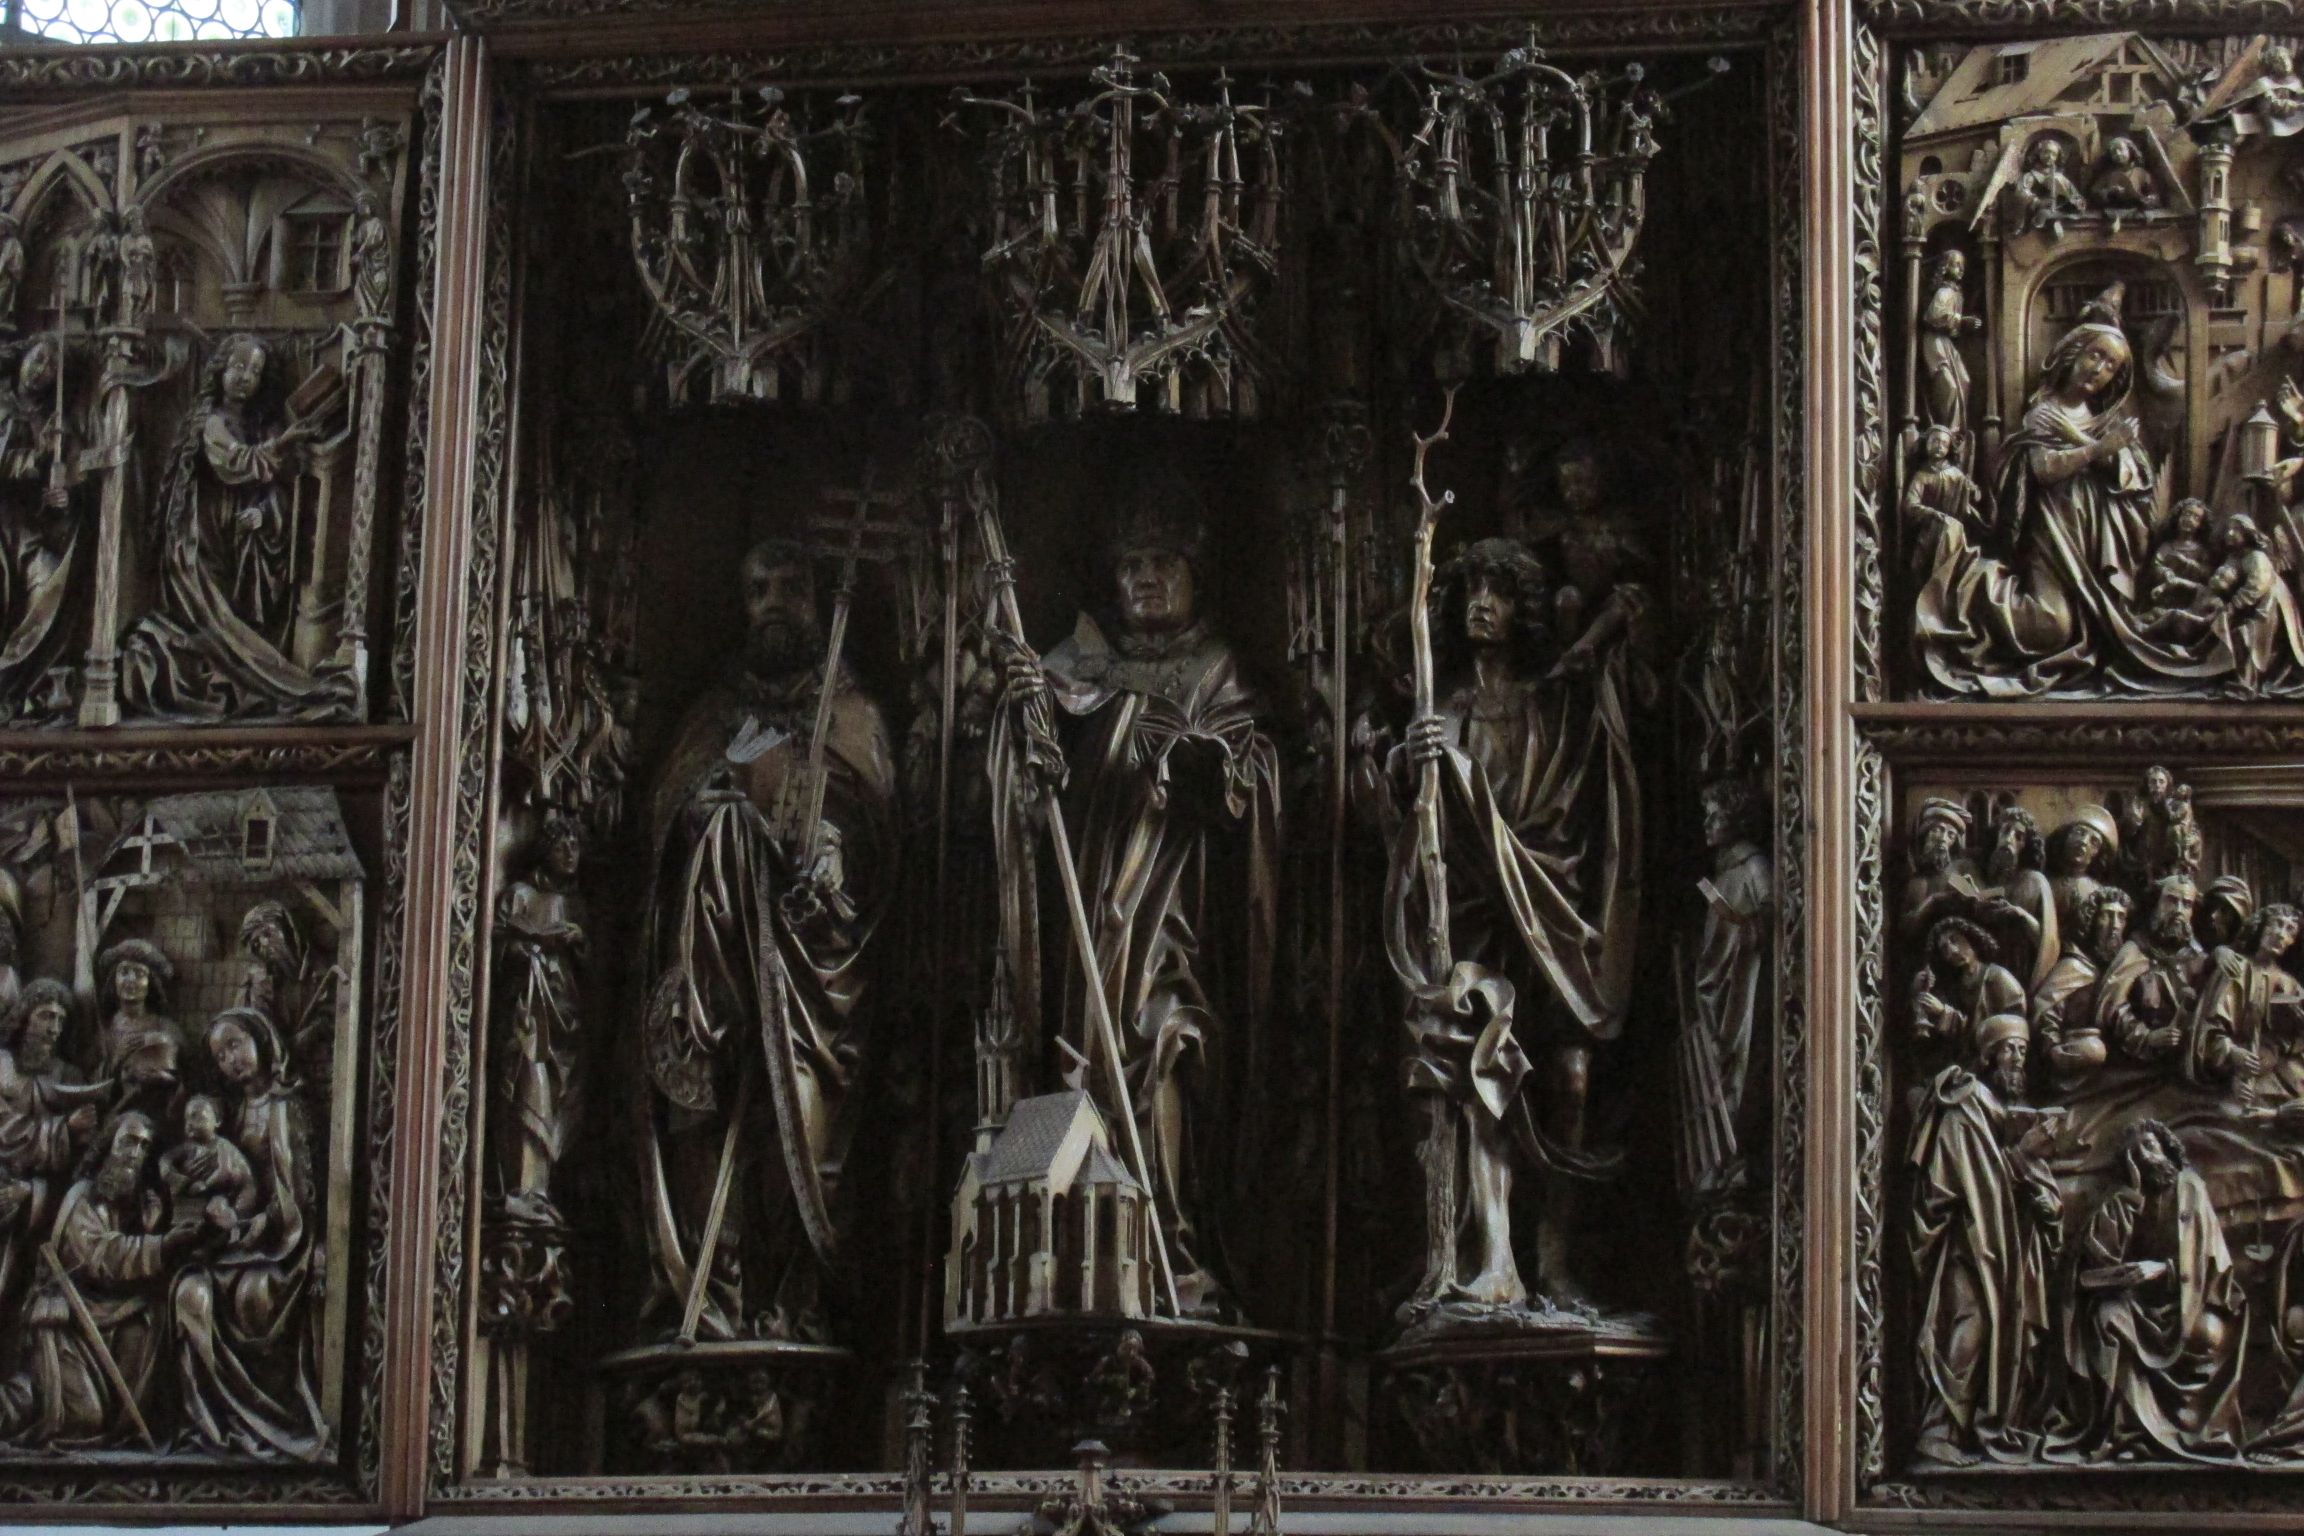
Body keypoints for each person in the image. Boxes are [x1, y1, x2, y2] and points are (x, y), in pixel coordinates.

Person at [1000, 494, 1281, 1317]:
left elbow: (1258, 779)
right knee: (1084, 1057)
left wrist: (1208, 767)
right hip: (1088, 913)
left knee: (1165, 1044)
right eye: (1131, 566)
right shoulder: (1072, 666)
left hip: (1175, 912)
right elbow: (1027, 794)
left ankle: (1172, 1243)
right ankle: (1085, 1253)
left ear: (1195, 576)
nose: (1146, 580)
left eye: (1163, 564)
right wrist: (1025, 720)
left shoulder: (1217, 670)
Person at [1372, 530, 1642, 1314]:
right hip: (1472, 914)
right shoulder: (1446, 709)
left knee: (1570, 1074)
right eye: (1471, 592)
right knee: (1476, 1073)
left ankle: (1555, 1258)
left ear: (1523, 608)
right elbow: (1416, 819)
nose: (1481, 606)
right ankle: (1493, 1259)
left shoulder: (1550, 701)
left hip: (1549, 905)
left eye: (1497, 592)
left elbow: (1581, 800)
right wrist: (1406, 763)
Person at [635, 539, 897, 1342]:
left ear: (817, 600)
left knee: (805, 1129)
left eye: (790, 587)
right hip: (719, 975)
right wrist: (708, 814)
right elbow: (661, 826)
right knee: (708, 1117)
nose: (775, 603)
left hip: (814, 975)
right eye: (759, 590)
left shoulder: (852, 713)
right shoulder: (714, 717)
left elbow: (884, 837)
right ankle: (713, 1291)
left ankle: (797, 1302)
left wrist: (827, 843)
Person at [1916, 286, 2231, 695]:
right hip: (2054, 534)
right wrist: (2098, 450)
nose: (2099, 370)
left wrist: (2116, 458)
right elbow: (2043, 468)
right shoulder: (2045, 412)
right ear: (2072, 353)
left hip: (2095, 542)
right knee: (2053, 627)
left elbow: (2135, 475)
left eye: (2111, 366)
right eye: (2095, 356)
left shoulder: (2102, 418)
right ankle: (1970, 593)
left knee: (2109, 625)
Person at [120, 333, 353, 722]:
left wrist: (264, 513)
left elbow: (276, 490)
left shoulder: (260, 425)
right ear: (220, 369)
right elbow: (237, 463)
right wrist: (286, 441)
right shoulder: (210, 421)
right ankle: (257, 680)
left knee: (238, 618)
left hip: (240, 542)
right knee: (216, 622)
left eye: (255, 371)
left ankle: (251, 676)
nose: (246, 377)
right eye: (239, 366)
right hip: (199, 543)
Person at [0, 1112, 229, 1448]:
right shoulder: (82, 1196)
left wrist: (154, 1228)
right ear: (108, 1145)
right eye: (128, 1142)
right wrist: (162, 1243)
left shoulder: (135, 1203)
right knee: (80, 1417)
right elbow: (103, 1256)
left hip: (109, 1313)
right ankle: (15, 1403)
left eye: (144, 1146)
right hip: (69, 1321)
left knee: (153, 1319)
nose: (135, 1153)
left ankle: (151, 1421)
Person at [1907, 1006, 2064, 1465]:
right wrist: (2021, 1155)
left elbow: (2022, 1184)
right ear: (1989, 1056)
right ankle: (1939, 1429)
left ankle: (1996, 1421)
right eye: (2009, 1050)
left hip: (2005, 1248)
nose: (2017, 1060)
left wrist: (2043, 1196)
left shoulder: (2003, 1111)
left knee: (2002, 1329)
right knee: (1968, 1328)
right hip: (1968, 1245)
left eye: (2023, 1051)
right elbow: (1966, 1183)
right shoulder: (1966, 1104)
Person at [170, 1007, 327, 1460]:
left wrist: (261, 1225)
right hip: (233, 1241)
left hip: (284, 1242)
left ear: (262, 1039)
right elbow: (223, 1177)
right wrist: (215, 1207)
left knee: (255, 1295)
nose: (230, 1061)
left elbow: (304, 1189)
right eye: (220, 1055)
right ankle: (211, 1424)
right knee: (190, 1292)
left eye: (235, 1045)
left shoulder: (287, 1106)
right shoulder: (229, 1113)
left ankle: (270, 1417)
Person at [2050, 1120, 2247, 1463]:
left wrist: (2164, 1271)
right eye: (2135, 1153)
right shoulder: (2126, 1198)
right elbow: (2099, 1256)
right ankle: (2126, 1433)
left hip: (2190, 1301)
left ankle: (2184, 1432)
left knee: (2205, 1333)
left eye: (2150, 1147)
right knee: (2108, 1318)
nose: (2144, 1156)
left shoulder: (2188, 1187)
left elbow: (2207, 1258)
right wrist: (2130, 1196)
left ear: (2168, 1149)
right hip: (2141, 1305)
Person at [492, 813, 585, 1228]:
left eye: (575, 845)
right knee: (530, 1086)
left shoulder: (578, 905)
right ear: (544, 850)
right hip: (529, 1016)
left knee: (565, 1101)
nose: (570, 852)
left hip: (568, 1020)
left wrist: (578, 943)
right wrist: (528, 949)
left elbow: (603, 971)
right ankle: (526, 1190)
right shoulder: (520, 896)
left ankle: (549, 1189)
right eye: (562, 844)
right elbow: (496, 947)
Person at [0, 982, 106, 1314]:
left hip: (42, 1194)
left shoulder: (68, 1075)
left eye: (60, 1020)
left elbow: (80, 1162)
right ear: (24, 1017)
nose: (54, 1028)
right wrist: (64, 1129)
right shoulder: (2, 1065)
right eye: (46, 1016)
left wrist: (84, 1131)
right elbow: (4, 1130)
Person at [0, 338, 87, 723]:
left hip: (27, 529)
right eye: (38, 359)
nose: (41, 370)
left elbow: (71, 477)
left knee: (49, 578)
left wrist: (61, 497)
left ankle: (14, 680)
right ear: (23, 357)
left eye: (52, 367)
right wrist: (35, 459)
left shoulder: (55, 425)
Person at [2184, 904, 2304, 1106]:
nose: (2280, 934)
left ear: (2293, 941)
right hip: (2230, 1070)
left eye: (2290, 930)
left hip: (2273, 1068)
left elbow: (2295, 1038)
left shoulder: (2289, 985)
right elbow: (2210, 1028)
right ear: (2261, 927)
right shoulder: (2236, 969)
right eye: (2276, 924)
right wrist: (2233, 1053)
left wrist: (2278, 1046)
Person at [2098, 875, 2209, 1072]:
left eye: (2187, 904)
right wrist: (2147, 1037)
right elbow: (2111, 1007)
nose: (2179, 910)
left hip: (2187, 1064)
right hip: (2138, 1065)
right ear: (2155, 904)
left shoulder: (2199, 959)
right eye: (2171, 900)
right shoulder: (2135, 951)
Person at [2032, 887, 2131, 1091]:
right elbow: (2046, 1014)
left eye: (2121, 917)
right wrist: (2052, 1047)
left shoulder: (2122, 968)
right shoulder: (2073, 967)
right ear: (2091, 921)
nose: (2114, 925)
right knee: (2095, 1049)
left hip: (2114, 1053)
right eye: (2107, 915)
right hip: (2076, 1048)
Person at [95, 940, 183, 1119]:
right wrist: (117, 1060)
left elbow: (186, 1079)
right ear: (114, 980)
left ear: (151, 983)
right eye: (124, 972)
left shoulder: (167, 1028)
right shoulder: (105, 1032)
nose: (131, 980)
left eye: (139, 974)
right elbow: (94, 1091)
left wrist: (160, 1076)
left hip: (156, 1116)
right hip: (117, 1116)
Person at [1918, 254, 1983, 443]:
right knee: (1949, 386)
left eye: (1962, 265)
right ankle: (1945, 431)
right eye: (1956, 265)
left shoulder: (1956, 293)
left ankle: (1955, 431)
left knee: (1964, 380)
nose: (1960, 269)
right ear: (1945, 267)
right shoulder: (1944, 291)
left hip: (1946, 342)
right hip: (1935, 342)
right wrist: (1961, 321)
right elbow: (1933, 316)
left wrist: (1965, 323)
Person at [2089, 135, 2160, 213]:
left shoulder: (2141, 173)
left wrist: (2149, 199)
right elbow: (2094, 193)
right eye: (2114, 152)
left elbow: (2154, 195)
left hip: (2137, 215)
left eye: (2121, 149)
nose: (2118, 154)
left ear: (2129, 150)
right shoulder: (2108, 175)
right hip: (2113, 214)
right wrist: (2109, 192)